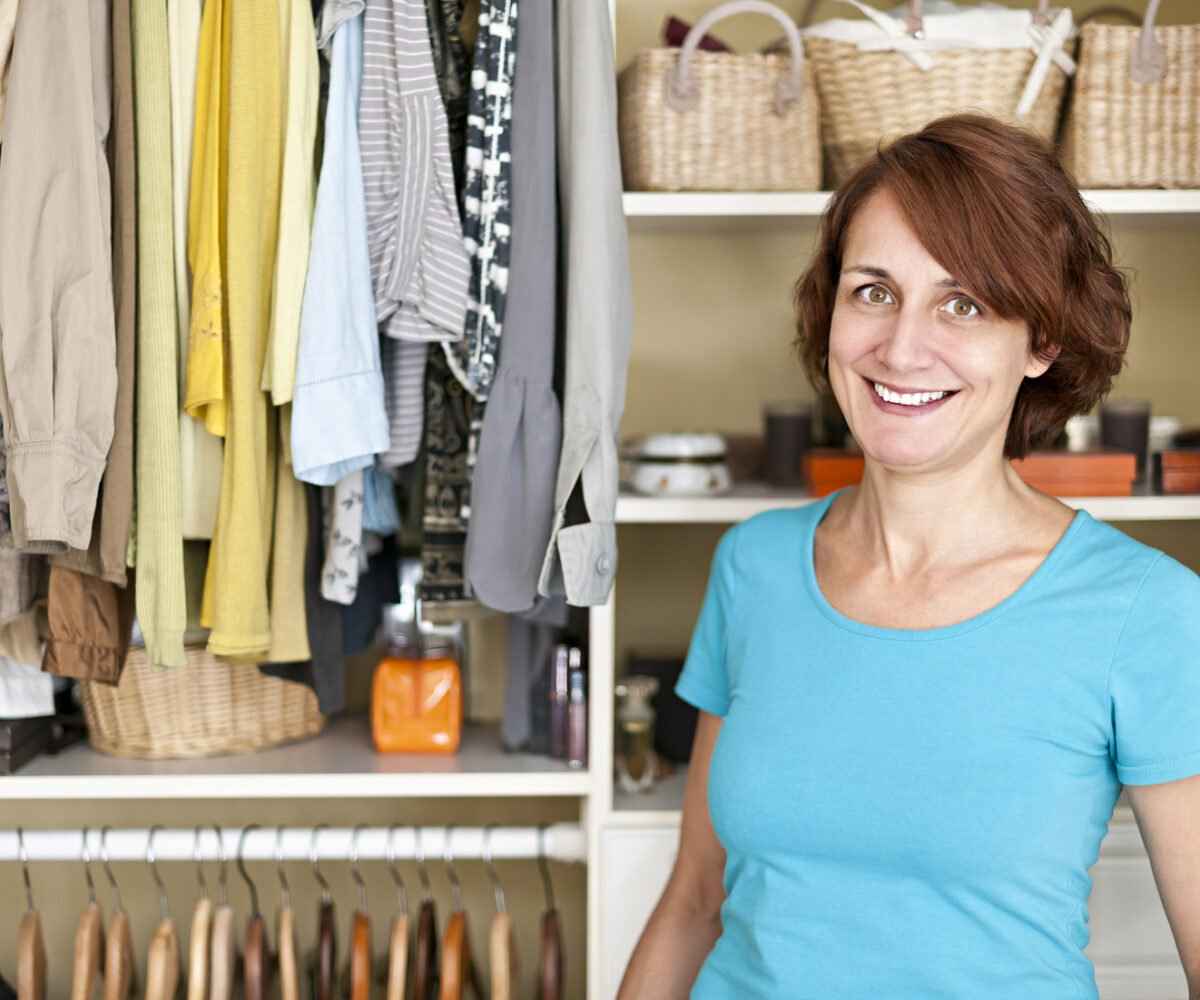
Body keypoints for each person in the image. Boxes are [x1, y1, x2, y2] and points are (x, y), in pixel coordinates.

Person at [617, 113, 1200, 999]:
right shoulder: (755, 567)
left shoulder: (1144, 610)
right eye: (874, 291)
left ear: (1043, 339)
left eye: (963, 303)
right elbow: (696, 901)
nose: (900, 347)